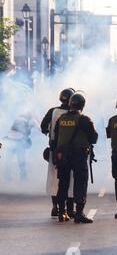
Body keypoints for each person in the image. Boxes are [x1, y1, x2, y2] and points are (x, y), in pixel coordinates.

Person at [53, 94, 98, 223]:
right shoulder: (84, 120)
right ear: (82, 105)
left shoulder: (61, 119)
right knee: (80, 183)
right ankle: (78, 213)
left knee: (63, 184)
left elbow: (56, 140)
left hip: (63, 156)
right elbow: (94, 139)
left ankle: (62, 212)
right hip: (79, 155)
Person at [41, 88, 75, 218]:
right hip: (72, 151)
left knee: (54, 180)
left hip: (55, 150)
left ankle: (56, 207)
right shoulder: (76, 112)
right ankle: (70, 208)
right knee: (71, 180)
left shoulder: (53, 111)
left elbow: (43, 127)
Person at [3, 113, 39, 182]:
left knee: (9, 161)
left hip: (11, 140)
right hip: (18, 141)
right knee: (21, 161)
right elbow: (40, 129)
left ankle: (7, 178)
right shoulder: (31, 121)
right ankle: (23, 179)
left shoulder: (18, 119)